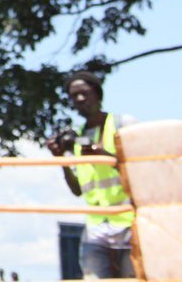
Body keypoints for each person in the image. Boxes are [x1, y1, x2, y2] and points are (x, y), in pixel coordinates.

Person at [46, 70, 136, 280]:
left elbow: (142, 171)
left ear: (97, 94)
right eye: (74, 96)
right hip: (96, 225)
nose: (80, 99)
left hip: (128, 220)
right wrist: (62, 160)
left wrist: (106, 156)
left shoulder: (123, 125)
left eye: (84, 93)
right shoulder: (76, 137)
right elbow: (77, 189)